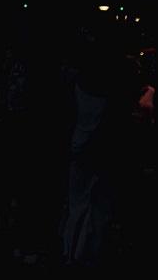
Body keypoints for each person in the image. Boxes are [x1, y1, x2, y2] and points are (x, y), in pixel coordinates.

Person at [61, 30, 136, 267]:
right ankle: (89, 253)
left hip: (81, 147)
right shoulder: (115, 87)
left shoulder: (78, 83)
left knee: (79, 204)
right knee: (100, 208)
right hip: (104, 150)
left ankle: (73, 253)